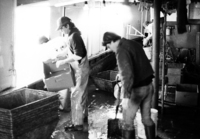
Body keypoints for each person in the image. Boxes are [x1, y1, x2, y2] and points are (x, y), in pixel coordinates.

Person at [102, 32, 155, 139]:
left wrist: (125, 97)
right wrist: (120, 73)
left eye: (108, 46)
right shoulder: (132, 43)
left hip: (137, 90)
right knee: (146, 119)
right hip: (149, 86)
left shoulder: (120, 50)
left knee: (127, 122)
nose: (110, 49)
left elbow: (127, 75)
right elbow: (136, 63)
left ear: (112, 41)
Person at [55, 16, 90, 131]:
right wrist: (60, 54)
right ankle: (83, 116)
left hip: (80, 69)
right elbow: (71, 50)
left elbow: (78, 55)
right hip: (81, 68)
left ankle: (77, 124)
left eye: (62, 28)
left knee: (75, 96)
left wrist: (63, 61)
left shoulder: (74, 36)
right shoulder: (71, 35)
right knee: (82, 94)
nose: (61, 30)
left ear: (67, 26)